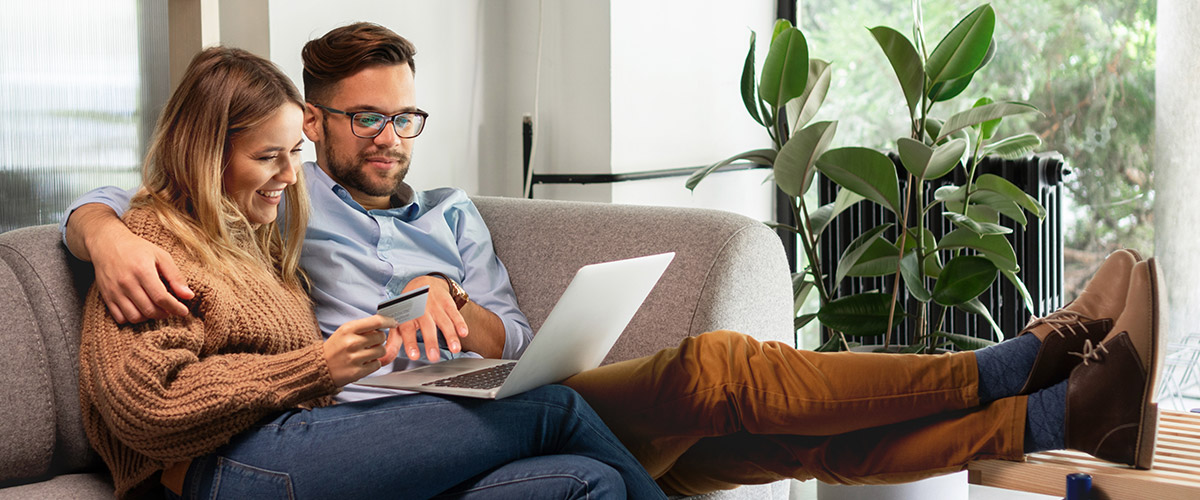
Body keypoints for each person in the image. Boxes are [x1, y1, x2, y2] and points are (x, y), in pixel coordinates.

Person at [65, 23, 1165, 496]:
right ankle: (1009, 367)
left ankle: (1056, 417)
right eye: (360, 122)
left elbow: (520, 337)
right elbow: (163, 199)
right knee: (726, 378)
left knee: (777, 439)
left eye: (408, 117)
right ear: (315, 122)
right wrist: (96, 222)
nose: (388, 138)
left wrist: (466, 313)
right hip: (381, 420)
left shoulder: (436, 214)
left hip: (493, 384)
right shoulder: (288, 215)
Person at [76, 45, 665, 500]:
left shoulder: (255, 238)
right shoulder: (149, 247)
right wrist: (316, 368)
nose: (288, 175)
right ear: (206, 153)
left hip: (316, 448)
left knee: (588, 481)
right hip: (223, 471)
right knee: (555, 409)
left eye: (293, 154)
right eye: (267, 156)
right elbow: (147, 408)